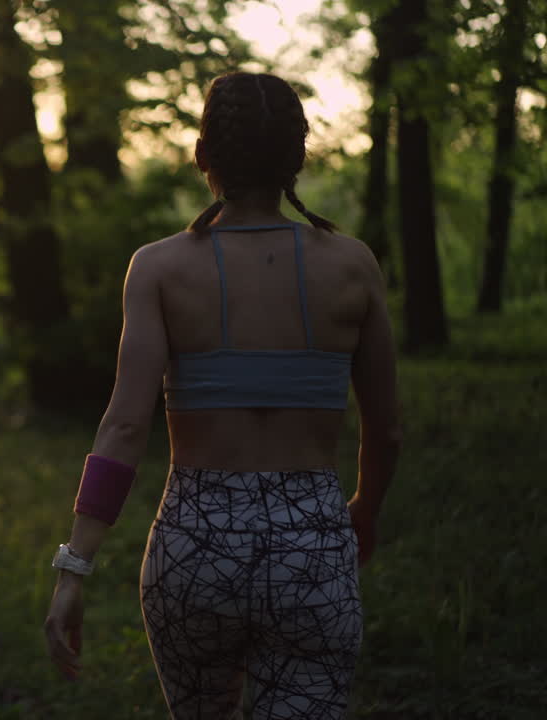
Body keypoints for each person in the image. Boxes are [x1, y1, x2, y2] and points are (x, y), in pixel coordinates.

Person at [43, 72, 401, 719]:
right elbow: (386, 428)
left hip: (192, 557)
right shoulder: (353, 265)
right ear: (298, 156)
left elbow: (124, 429)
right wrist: (364, 510)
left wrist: (76, 568)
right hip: (313, 553)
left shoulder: (157, 267)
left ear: (202, 156)